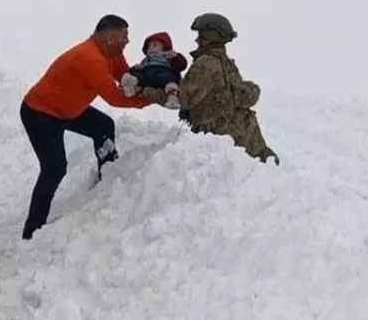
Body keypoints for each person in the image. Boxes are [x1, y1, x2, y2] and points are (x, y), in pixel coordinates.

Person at [19, 14, 153, 240]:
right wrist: (150, 99)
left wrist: (150, 82)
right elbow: (114, 97)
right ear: (110, 38)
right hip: (40, 114)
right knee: (54, 168)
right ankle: (32, 231)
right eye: (124, 37)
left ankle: (108, 179)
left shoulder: (112, 53)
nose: (127, 42)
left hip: (68, 109)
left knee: (102, 125)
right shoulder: (90, 58)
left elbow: (124, 76)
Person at [178, 12, 279, 164]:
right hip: (245, 137)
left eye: (202, 36)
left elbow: (183, 99)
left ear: (211, 38)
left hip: (218, 143)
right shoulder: (225, 62)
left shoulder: (205, 64)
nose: (197, 40)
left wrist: (150, 90)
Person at [121, 31, 187, 109]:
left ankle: (172, 98)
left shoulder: (168, 56)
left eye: (155, 45)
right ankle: (130, 86)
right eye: (149, 47)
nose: (151, 48)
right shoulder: (147, 59)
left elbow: (181, 66)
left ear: (164, 47)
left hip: (164, 74)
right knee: (138, 76)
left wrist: (175, 57)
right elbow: (140, 68)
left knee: (170, 81)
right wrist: (136, 68)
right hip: (148, 76)